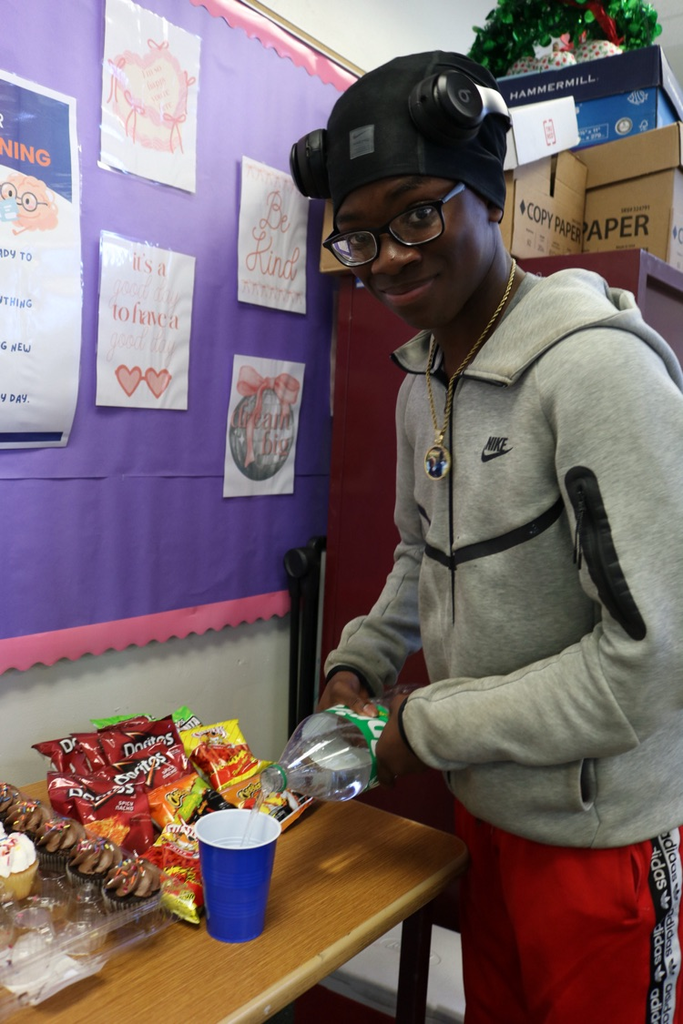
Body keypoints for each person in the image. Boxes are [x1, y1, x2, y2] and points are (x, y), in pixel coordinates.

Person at [289, 51, 683, 1023]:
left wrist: (416, 730)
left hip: (601, 842)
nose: (386, 257)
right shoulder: (420, 377)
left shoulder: (591, 371)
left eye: (418, 213)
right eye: (357, 237)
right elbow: (419, 556)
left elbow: (646, 662)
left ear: (489, 194)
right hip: (486, 814)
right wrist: (359, 667)